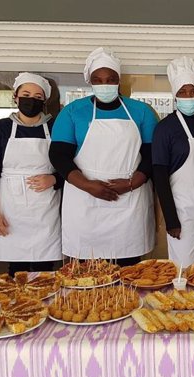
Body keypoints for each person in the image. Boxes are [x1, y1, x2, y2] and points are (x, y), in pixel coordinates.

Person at [49, 47, 157, 265]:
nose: (105, 84)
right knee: (87, 276)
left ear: (119, 80)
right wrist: (88, 185)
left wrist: (132, 182)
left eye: (111, 79)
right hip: (84, 201)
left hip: (130, 202)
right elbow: (59, 156)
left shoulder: (141, 111)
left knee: (129, 274)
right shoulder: (72, 111)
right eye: (98, 79)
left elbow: (152, 154)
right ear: (90, 81)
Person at [0, 72, 63, 275]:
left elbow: (70, 166)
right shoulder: (1, 129)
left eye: (37, 97)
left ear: (44, 100)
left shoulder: (55, 128)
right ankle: (19, 306)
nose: (31, 100)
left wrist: (54, 178)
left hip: (45, 209)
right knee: (16, 267)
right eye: (26, 94)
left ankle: (45, 305)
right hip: (11, 208)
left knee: (45, 267)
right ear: (15, 97)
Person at [153, 57, 194, 268]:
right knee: (184, 269)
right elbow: (159, 176)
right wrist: (171, 219)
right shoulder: (165, 128)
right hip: (183, 213)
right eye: (183, 92)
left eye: (193, 91)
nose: (189, 96)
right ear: (175, 96)